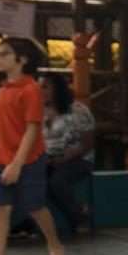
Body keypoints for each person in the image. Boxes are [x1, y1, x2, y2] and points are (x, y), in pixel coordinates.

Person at [0, 37, 66, 255]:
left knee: (34, 207)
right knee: (0, 209)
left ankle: (54, 245)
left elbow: (32, 129)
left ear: (22, 60)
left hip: (28, 159)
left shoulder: (30, 90)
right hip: (1, 157)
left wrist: (16, 163)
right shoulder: (4, 88)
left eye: (4, 53)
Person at [38, 72, 94, 233]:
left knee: (57, 181)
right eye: (39, 87)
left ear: (57, 89)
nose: (41, 91)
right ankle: (79, 207)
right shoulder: (38, 112)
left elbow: (87, 143)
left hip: (77, 157)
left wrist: (63, 158)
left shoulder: (77, 110)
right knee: (36, 180)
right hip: (49, 157)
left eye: (45, 87)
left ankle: (78, 221)